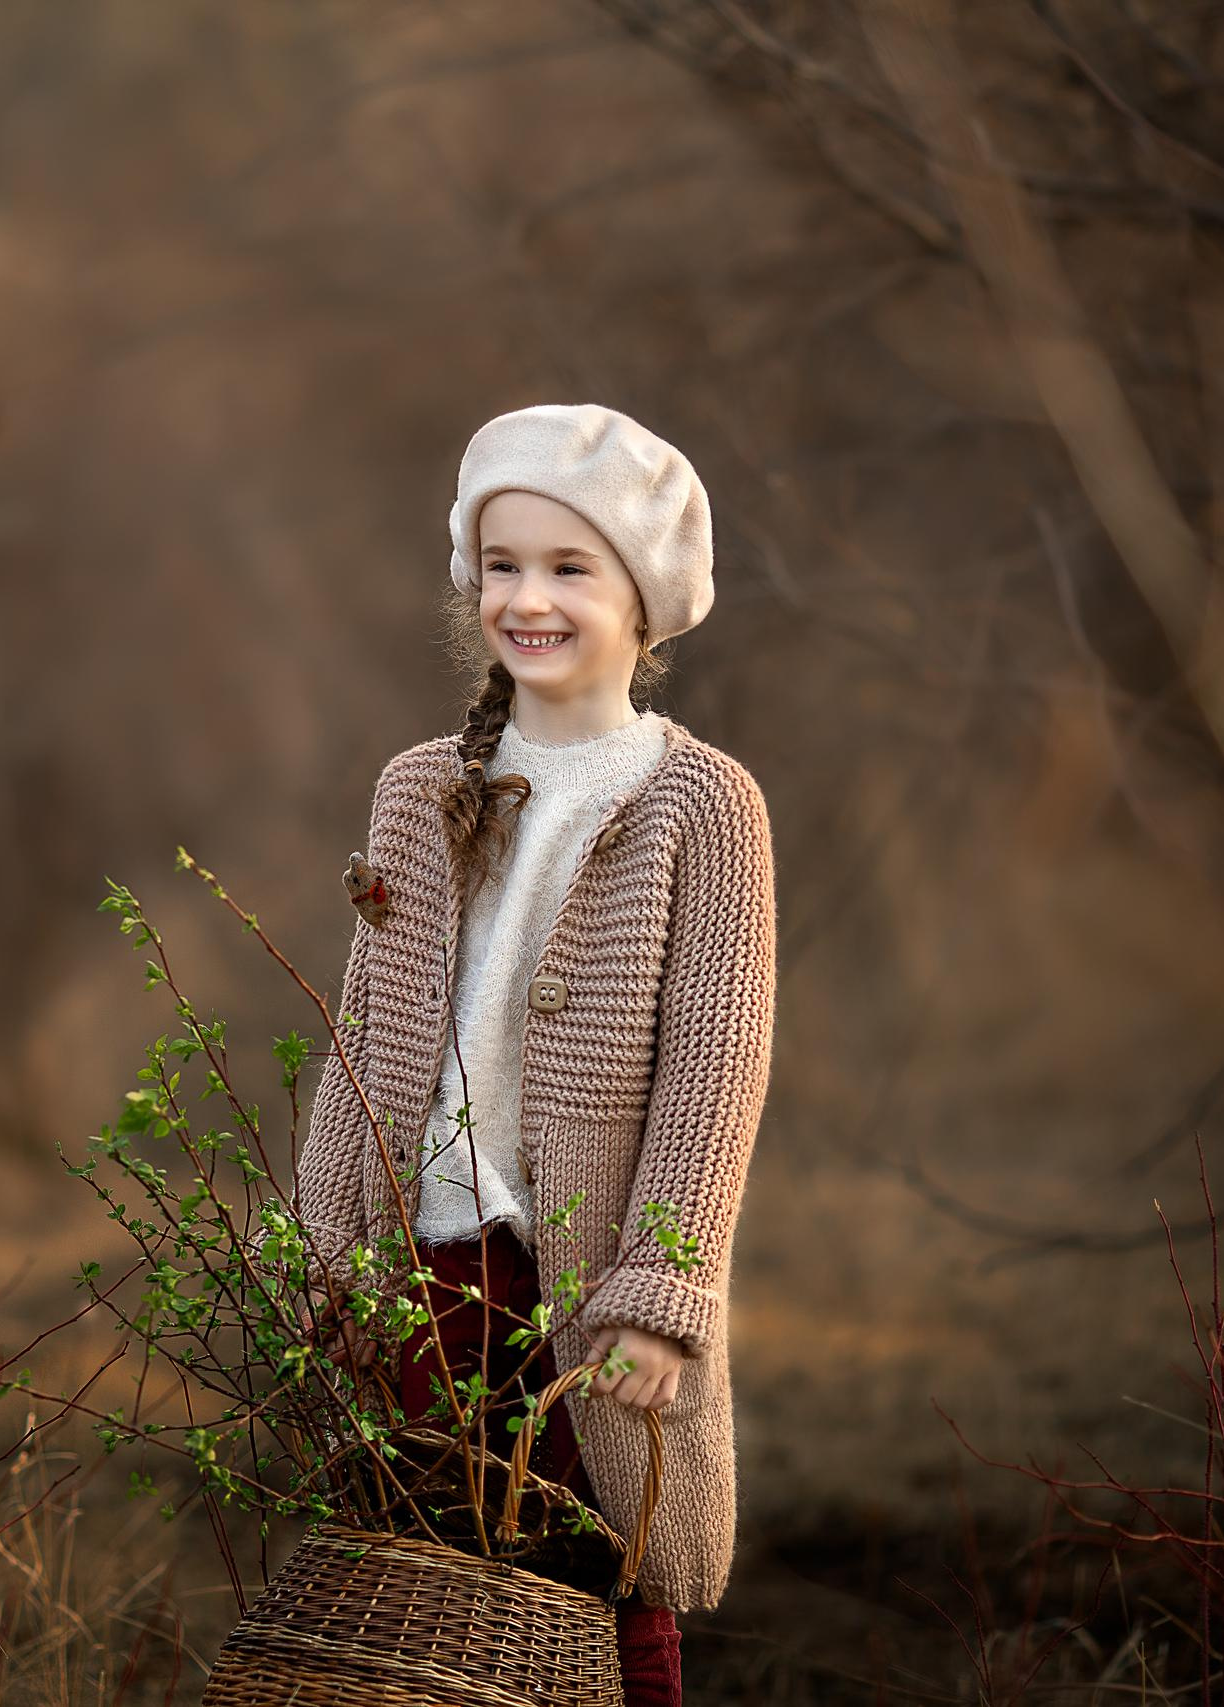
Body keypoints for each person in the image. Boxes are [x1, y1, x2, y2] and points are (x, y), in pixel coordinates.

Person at [294, 402, 779, 1707]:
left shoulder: (701, 804)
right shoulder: (422, 790)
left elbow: (712, 1078)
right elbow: (364, 1048)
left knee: (608, 1575)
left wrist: (662, 1299)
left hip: (594, 1276)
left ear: (645, 599)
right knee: (429, 1587)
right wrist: (327, 1248)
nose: (530, 599)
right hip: (424, 1263)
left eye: (571, 569)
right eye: (503, 565)